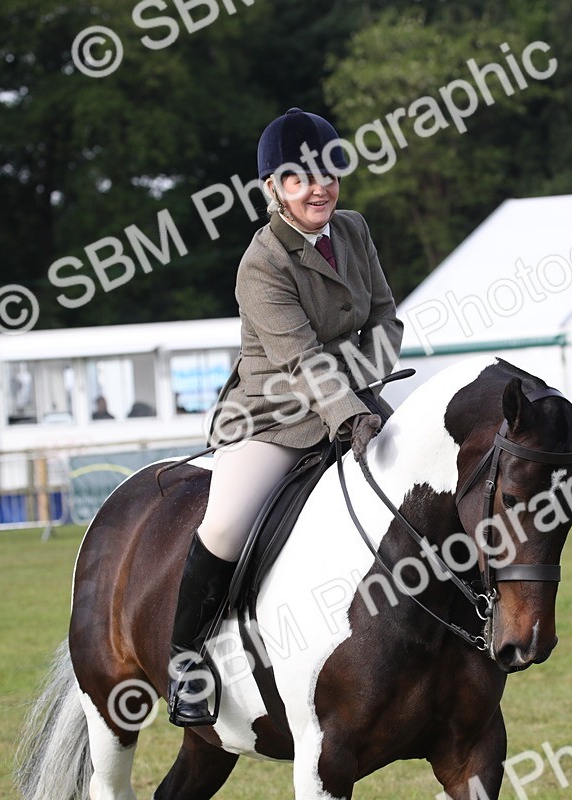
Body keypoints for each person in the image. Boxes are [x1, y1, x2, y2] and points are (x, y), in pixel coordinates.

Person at [166, 107, 404, 726]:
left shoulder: (354, 230)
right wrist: (350, 412)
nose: (317, 186)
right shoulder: (262, 262)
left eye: (327, 171)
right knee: (223, 526)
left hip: (352, 399)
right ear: (272, 189)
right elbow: (300, 363)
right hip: (274, 416)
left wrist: (360, 394)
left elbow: (387, 320)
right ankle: (186, 661)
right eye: (298, 178)